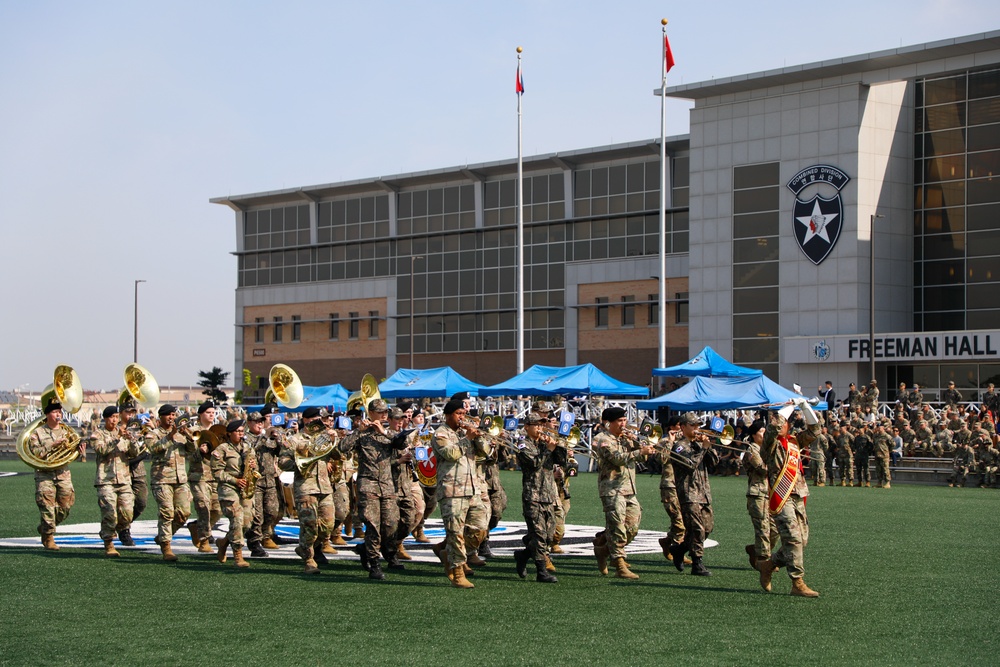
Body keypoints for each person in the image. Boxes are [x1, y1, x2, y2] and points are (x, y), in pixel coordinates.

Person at [337, 399, 407, 580]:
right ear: (371, 413)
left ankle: (370, 550)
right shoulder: (361, 433)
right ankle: (374, 564)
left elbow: (401, 444)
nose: (384, 415)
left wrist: (383, 432)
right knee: (373, 526)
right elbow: (342, 448)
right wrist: (358, 431)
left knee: (391, 525)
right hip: (368, 485)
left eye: (386, 412)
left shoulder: (389, 433)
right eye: (380, 412)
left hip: (388, 485)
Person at [756, 403, 820, 597]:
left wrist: (805, 406)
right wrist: (789, 406)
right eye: (782, 421)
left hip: (798, 495)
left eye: (786, 422)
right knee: (793, 539)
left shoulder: (794, 441)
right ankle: (797, 582)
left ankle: (769, 564)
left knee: (801, 541)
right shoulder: (770, 442)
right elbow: (773, 427)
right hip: (781, 497)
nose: (784, 424)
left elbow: (815, 429)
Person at [430, 399, 491, 589]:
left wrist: (479, 436)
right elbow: (451, 454)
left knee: (480, 527)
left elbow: (486, 453)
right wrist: (468, 439)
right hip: (452, 491)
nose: (462, 418)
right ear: (448, 415)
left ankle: (449, 552)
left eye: (463, 414)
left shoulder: (465, 433)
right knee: (455, 532)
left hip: (472, 489)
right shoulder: (441, 434)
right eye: (458, 414)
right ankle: (457, 573)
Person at [592, 407, 656, 580]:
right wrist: (638, 452)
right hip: (612, 489)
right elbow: (617, 458)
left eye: (624, 420)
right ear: (608, 423)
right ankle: (619, 564)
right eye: (619, 421)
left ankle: (603, 550)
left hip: (629, 488)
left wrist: (640, 444)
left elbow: (642, 458)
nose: (624, 424)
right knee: (617, 527)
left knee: (632, 527)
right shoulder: (601, 439)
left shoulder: (625, 438)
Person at [278, 406, 336, 575]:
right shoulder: (294, 440)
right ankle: (309, 560)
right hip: (305, 487)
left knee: (327, 526)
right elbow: (283, 462)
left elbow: (339, 455)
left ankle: (305, 547)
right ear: (306, 420)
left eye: (320, 420)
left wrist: (334, 440)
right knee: (309, 525)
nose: (319, 423)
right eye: (315, 420)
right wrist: (301, 460)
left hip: (324, 486)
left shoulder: (325, 437)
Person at [512, 412, 564, 583]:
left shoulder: (544, 443)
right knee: (540, 535)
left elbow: (562, 461)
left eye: (542, 425)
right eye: (536, 425)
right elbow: (533, 464)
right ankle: (542, 572)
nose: (540, 428)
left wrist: (559, 447)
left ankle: (523, 555)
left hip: (548, 494)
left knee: (549, 536)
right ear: (527, 426)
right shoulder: (521, 444)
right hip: (532, 495)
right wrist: (547, 450)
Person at [668, 413, 720, 576]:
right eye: (693, 426)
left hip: (703, 493)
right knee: (697, 529)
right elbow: (690, 465)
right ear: (683, 427)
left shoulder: (698, 445)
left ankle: (679, 549)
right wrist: (703, 449)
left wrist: (708, 447)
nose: (697, 429)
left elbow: (714, 463)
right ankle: (697, 564)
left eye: (698, 426)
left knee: (707, 528)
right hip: (689, 494)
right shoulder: (679, 447)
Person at [27, 397, 77, 550]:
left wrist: (78, 451)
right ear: (48, 414)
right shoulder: (38, 433)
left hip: (63, 474)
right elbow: (35, 453)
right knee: (47, 506)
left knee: (65, 507)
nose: (58, 415)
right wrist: (51, 444)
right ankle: (48, 537)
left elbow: (70, 451)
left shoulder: (67, 432)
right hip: (44, 474)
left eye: (59, 411)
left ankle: (44, 528)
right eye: (55, 412)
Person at [90, 405, 140, 557]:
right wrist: (117, 438)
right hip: (106, 480)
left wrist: (131, 441)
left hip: (124, 480)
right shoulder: (97, 434)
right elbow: (101, 450)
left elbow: (135, 453)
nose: (115, 420)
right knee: (110, 513)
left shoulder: (124, 433)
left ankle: (108, 529)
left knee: (127, 513)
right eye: (112, 417)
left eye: (117, 417)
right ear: (105, 418)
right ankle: (109, 543)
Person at [147, 404, 195, 561]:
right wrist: (170, 436)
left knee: (184, 513)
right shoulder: (153, 434)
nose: (172, 418)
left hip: (180, 479)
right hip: (161, 479)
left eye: (174, 415)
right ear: (161, 417)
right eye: (168, 415)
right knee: (167, 512)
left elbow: (191, 450)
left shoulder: (181, 433)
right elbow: (153, 448)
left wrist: (188, 435)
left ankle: (163, 536)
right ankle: (166, 546)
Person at [210, 419, 255, 568]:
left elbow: (255, 469)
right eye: (238, 432)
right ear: (229, 433)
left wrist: (254, 467)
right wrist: (235, 480)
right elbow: (216, 472)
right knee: (236, 518)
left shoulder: (248, 448)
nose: (241, 434)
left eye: (242, 431)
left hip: (245, 488)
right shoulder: (221, 449)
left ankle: (223, 542)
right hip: (229, 488)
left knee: (246, 523)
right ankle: (238, 555)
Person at [244, 410, 281, 556]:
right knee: (257, 515)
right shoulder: (246, 437)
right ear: (249, 423)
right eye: (256, 422)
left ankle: (264, 535)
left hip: (270, 480)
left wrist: (278, 439)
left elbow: (280, 452)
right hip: (255, 481)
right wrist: (265, 436)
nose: (259, 424)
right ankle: (254, 542)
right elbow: (251, 449)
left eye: (261, 421)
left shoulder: (268, 438)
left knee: (273, 511)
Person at [187, 401, 221, 553]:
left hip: (215, 475)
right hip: (199, 475)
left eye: (213, 412)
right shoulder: (193, 432)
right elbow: (189, 454)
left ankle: (196, 527)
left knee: (218, 510)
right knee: (204, 508)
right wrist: (200, 451)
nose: (211, 415)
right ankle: (204, 541)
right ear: (201, 414)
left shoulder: (219, 430)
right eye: (208, 412)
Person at [744, 421, 778, 569]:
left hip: (770, 494)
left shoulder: (768, 449)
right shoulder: (752, 449)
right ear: (753, 434)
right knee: (763, 530)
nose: (764, 434)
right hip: (757, 494)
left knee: (775, 530)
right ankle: (764, 562)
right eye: (761, 431)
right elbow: (763, 469)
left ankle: (756, 550)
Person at [656, 416, 687, 564]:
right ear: (672, 428)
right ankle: (678, 551)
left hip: (685, 486)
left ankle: (668, 541)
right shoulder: (663, 442)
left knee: (686, 521)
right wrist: (670, 441)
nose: (681, 429)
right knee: (678, 520)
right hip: (669, 485)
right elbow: (662, 459)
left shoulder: (686, 442)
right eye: (679, 426)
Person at [118, 398, 145, 546]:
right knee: (125, 505)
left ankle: (121, 524)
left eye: (132, 412)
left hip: (138, 470)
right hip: (121, 471)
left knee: (141, 503)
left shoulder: (138, 428)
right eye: (127, 412)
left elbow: (144, 446)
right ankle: (124, 530)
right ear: (121, 413)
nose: (130, 415)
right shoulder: (115, 429)